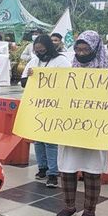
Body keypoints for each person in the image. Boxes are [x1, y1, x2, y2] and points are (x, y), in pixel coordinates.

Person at [56, 30, 108, 216]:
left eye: (85, 49)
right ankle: (69, 205)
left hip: (94, 129)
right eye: (78, 49)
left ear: (95, 48)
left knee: (92, 170)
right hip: (71, 128)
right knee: (68, 168)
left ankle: (90, 209)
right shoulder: (71, 69)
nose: (81, 53)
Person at [21, 35, 72, 188]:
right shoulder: (34, 61)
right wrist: (30, 77)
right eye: (37, 51)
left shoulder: (61, 61)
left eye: (42, 51)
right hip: (37, 105)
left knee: (50, 141)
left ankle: (53, 173)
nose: (39, 54)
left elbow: (68, 82)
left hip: (54, 106)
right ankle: (42, 167)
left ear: (49, 48)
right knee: (38, 139)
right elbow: (23, 82)